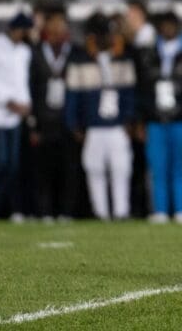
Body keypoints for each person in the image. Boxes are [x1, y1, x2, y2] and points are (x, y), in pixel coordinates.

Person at [66, 14, 137, 221]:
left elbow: (129, 94)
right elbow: (73, 96)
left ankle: (121, 211)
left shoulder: (123, 60)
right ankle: (100, 212)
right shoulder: (80, 61)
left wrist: (129, 120)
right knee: (95, 169)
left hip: (116, 125)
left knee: (121, 168)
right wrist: (74, 124)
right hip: (93, 126)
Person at [136, 13, 182, 224]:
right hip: (156, 119)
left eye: (170, 25)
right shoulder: (149, 53)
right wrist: (144, 116)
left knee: (180, 165)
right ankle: (161, 210)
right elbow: (143, 89)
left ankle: (181, 209)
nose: (167, 29)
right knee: (158, 166)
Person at [27, 8, 78, 222]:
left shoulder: (74, 53)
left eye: (61, 29)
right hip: (44, 119)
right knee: (43, 172)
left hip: (67, 119)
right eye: (53, 29)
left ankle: (66, 211)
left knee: (68, 171)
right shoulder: (37, 54)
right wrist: (33, 125)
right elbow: (30, 89)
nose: (57, 34)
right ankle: (45, 212)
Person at [0, 13, 33, 220]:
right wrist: (7, 100)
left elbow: (21, 81)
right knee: (0, 165)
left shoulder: (24, 51)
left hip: (15, 118)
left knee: (12, 167)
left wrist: (26, 103)